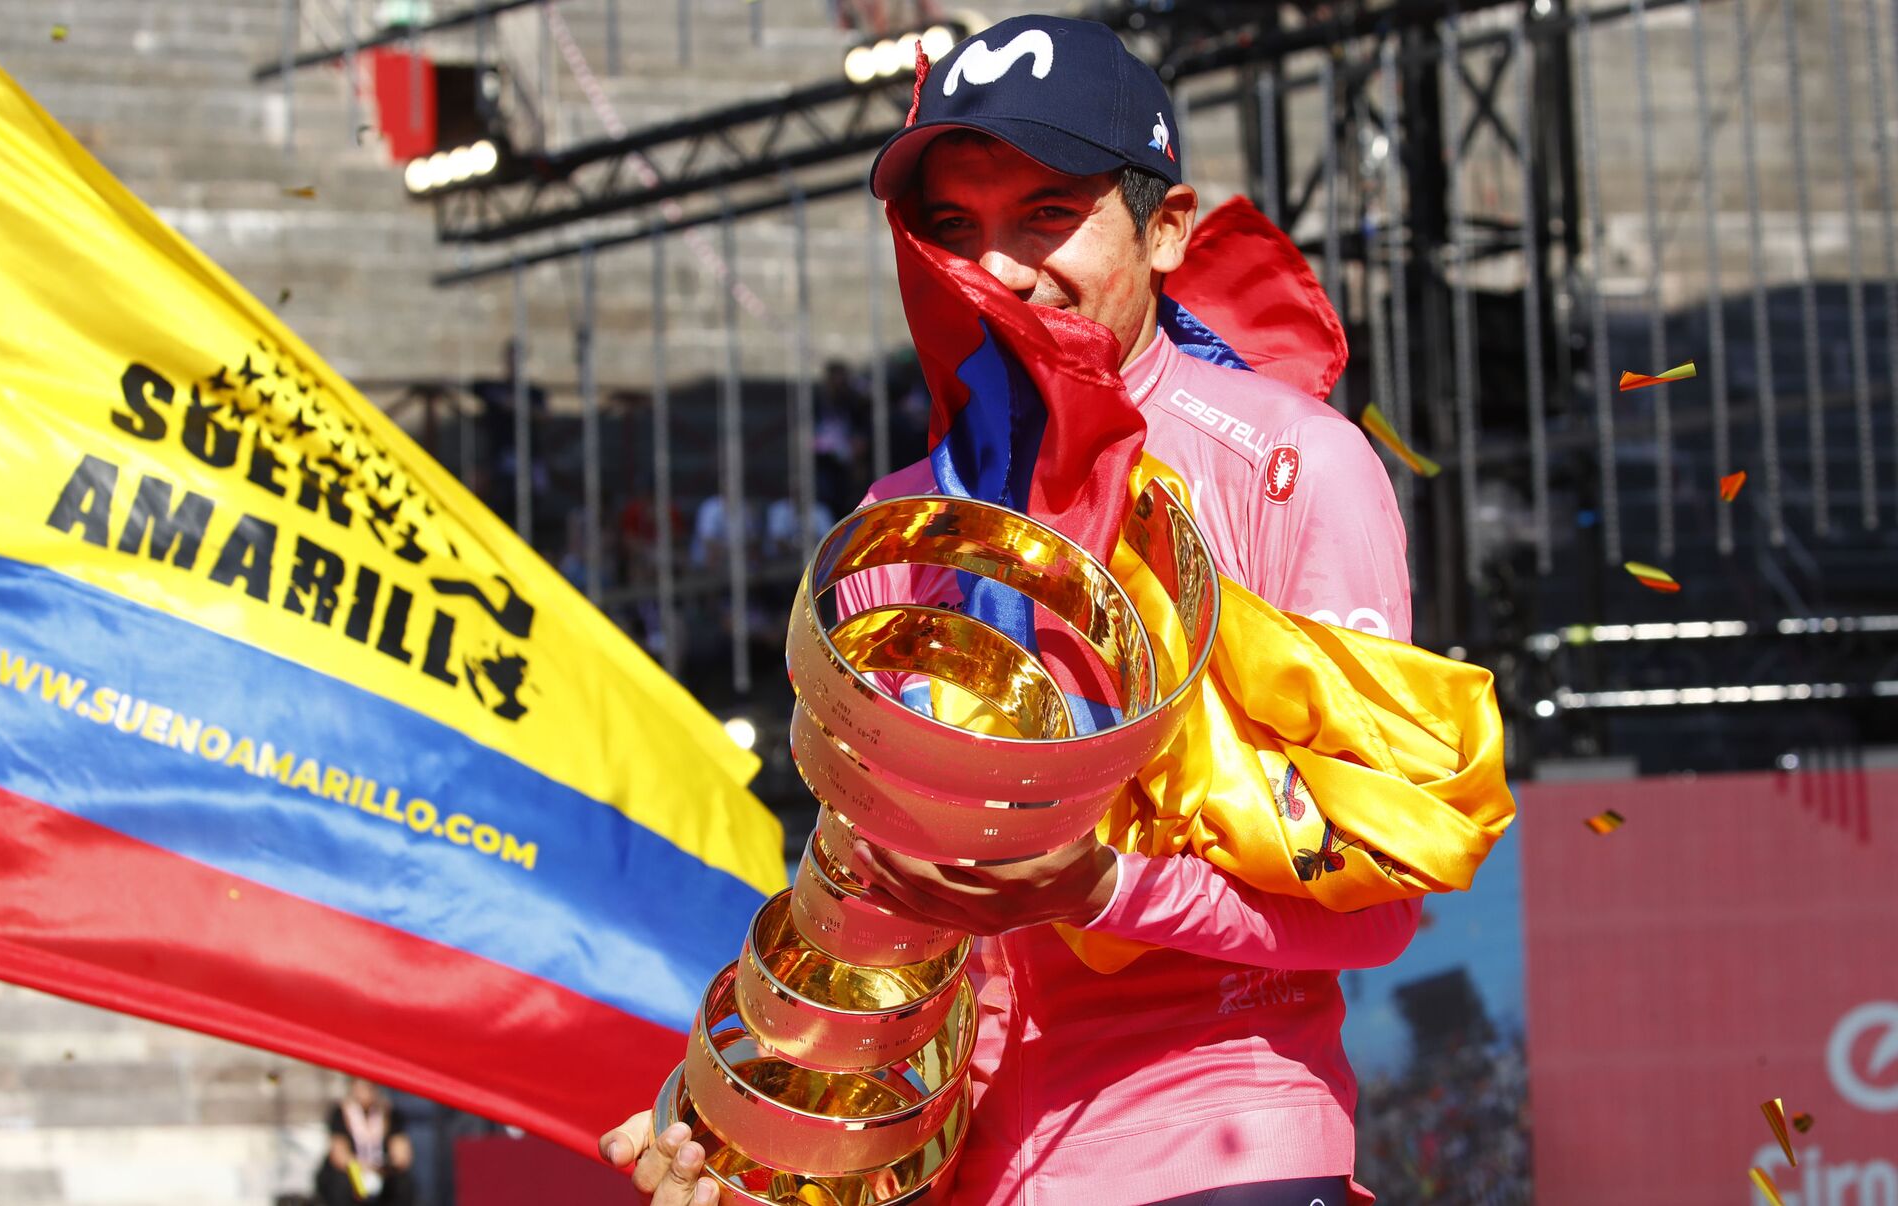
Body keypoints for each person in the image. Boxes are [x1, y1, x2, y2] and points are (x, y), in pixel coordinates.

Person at [605, 16, 1417, 1205]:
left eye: (1047, 214)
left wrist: (1098, 888)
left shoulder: (1292, 469)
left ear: (1167, 227)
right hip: (977, 1172)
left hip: (1222, 1141)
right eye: (953, 229)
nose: (999, 270)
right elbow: (873, 918)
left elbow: (1381, 899)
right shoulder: (895, 527)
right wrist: (758, 1139)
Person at [316, 1077, 417, 1206]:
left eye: (370, 1087)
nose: (366, 1092)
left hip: (382, 1171)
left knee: (402, 1184)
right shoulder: (341, 1113)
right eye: (361, 1087)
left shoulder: (388, 1113)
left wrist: (381, 1168)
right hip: (354, 1172)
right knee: (341, 1183)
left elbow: (401, 1154)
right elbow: (339, 1154)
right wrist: (363, 1167)